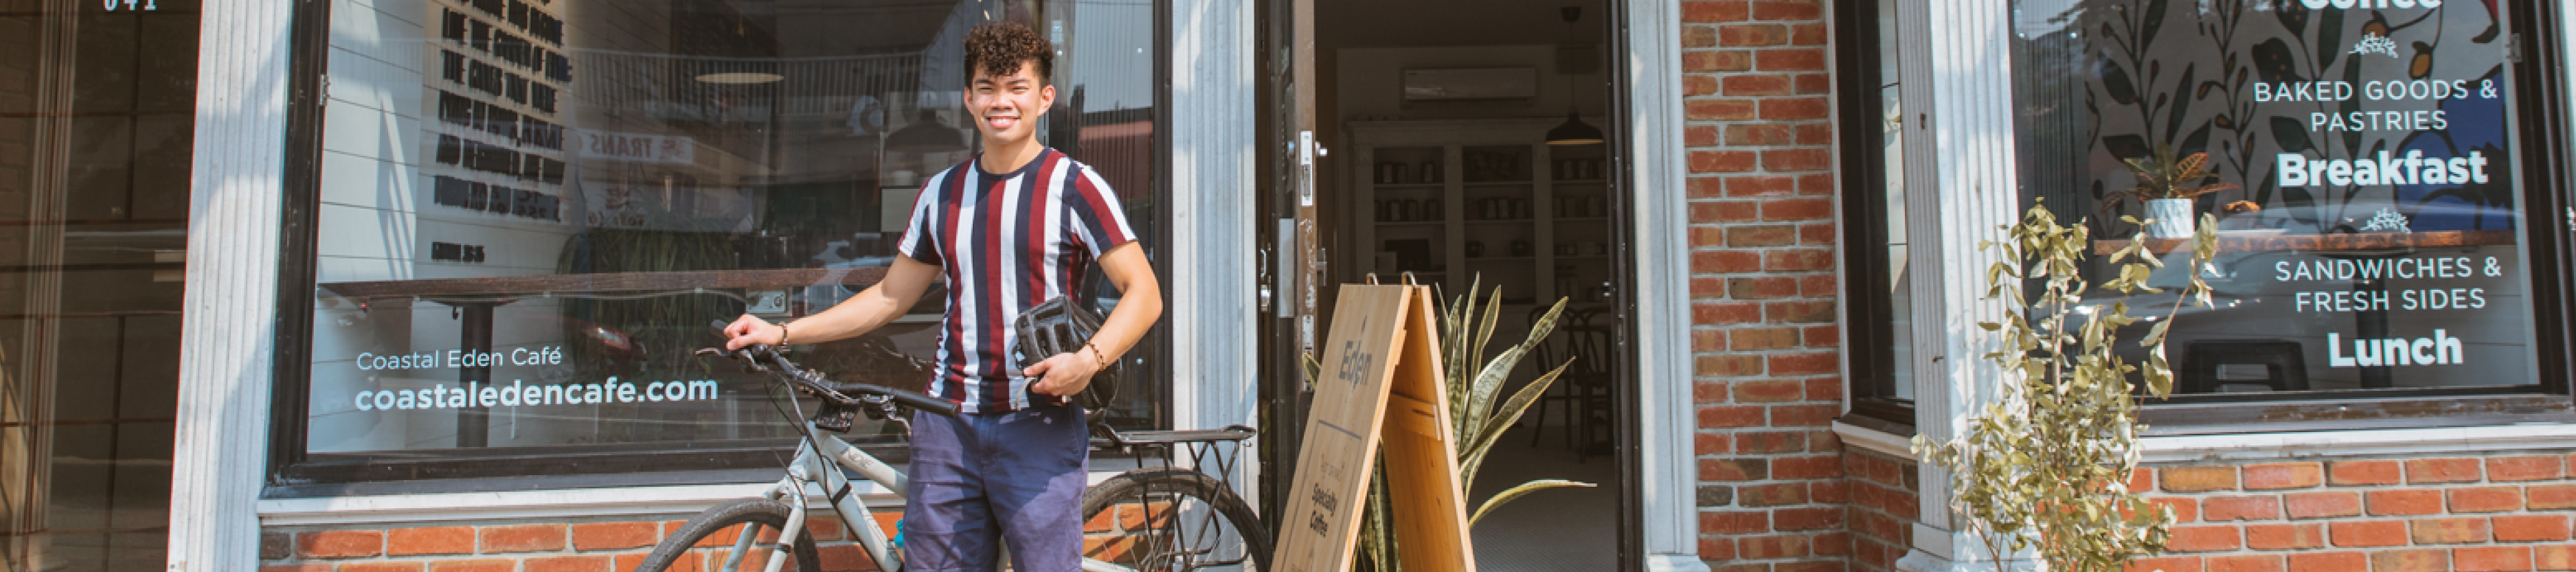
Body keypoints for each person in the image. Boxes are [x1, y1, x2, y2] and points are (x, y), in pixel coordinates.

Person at [723, 21, 1162, 572]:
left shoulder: (1075, 186)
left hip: (1040, 426)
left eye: (1017, 87)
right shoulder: (942, 193)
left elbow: (1144, 293)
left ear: (1044, 98)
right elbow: (888, 297)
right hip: (946, 428)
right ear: (968, 98)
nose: (1001, 102)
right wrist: (782, 331)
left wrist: (1088, 360)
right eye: (987, 87)